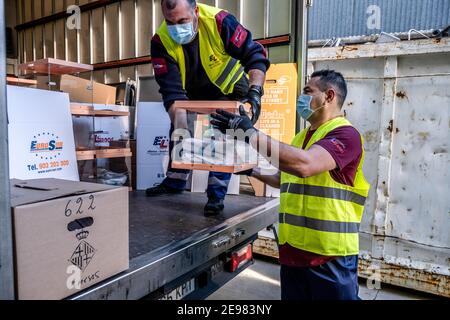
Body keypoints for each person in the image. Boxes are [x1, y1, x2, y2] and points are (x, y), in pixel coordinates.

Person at [211, 70, 370, 300]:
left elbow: (304, 165)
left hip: (329, 257)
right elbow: (281, 177)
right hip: (293, 253)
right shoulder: (302, 137)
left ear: (329, 96)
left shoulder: (346, 135)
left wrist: (250, 133)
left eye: (307, 91)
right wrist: (249, 170)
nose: (301, 98)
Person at [147, 0, 270, 217]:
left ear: (195, 11)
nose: (176, 28)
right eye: (170, 22)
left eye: (183, 20)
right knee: (178, 127)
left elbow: (255, 55)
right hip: (193, 93)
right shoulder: (160, 41)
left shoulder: (220, 22)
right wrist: (182, 133)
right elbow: (172, 93)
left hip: (230, 88)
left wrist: (256, 92)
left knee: (223, 135)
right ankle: (175, 181)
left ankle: (216, 195)